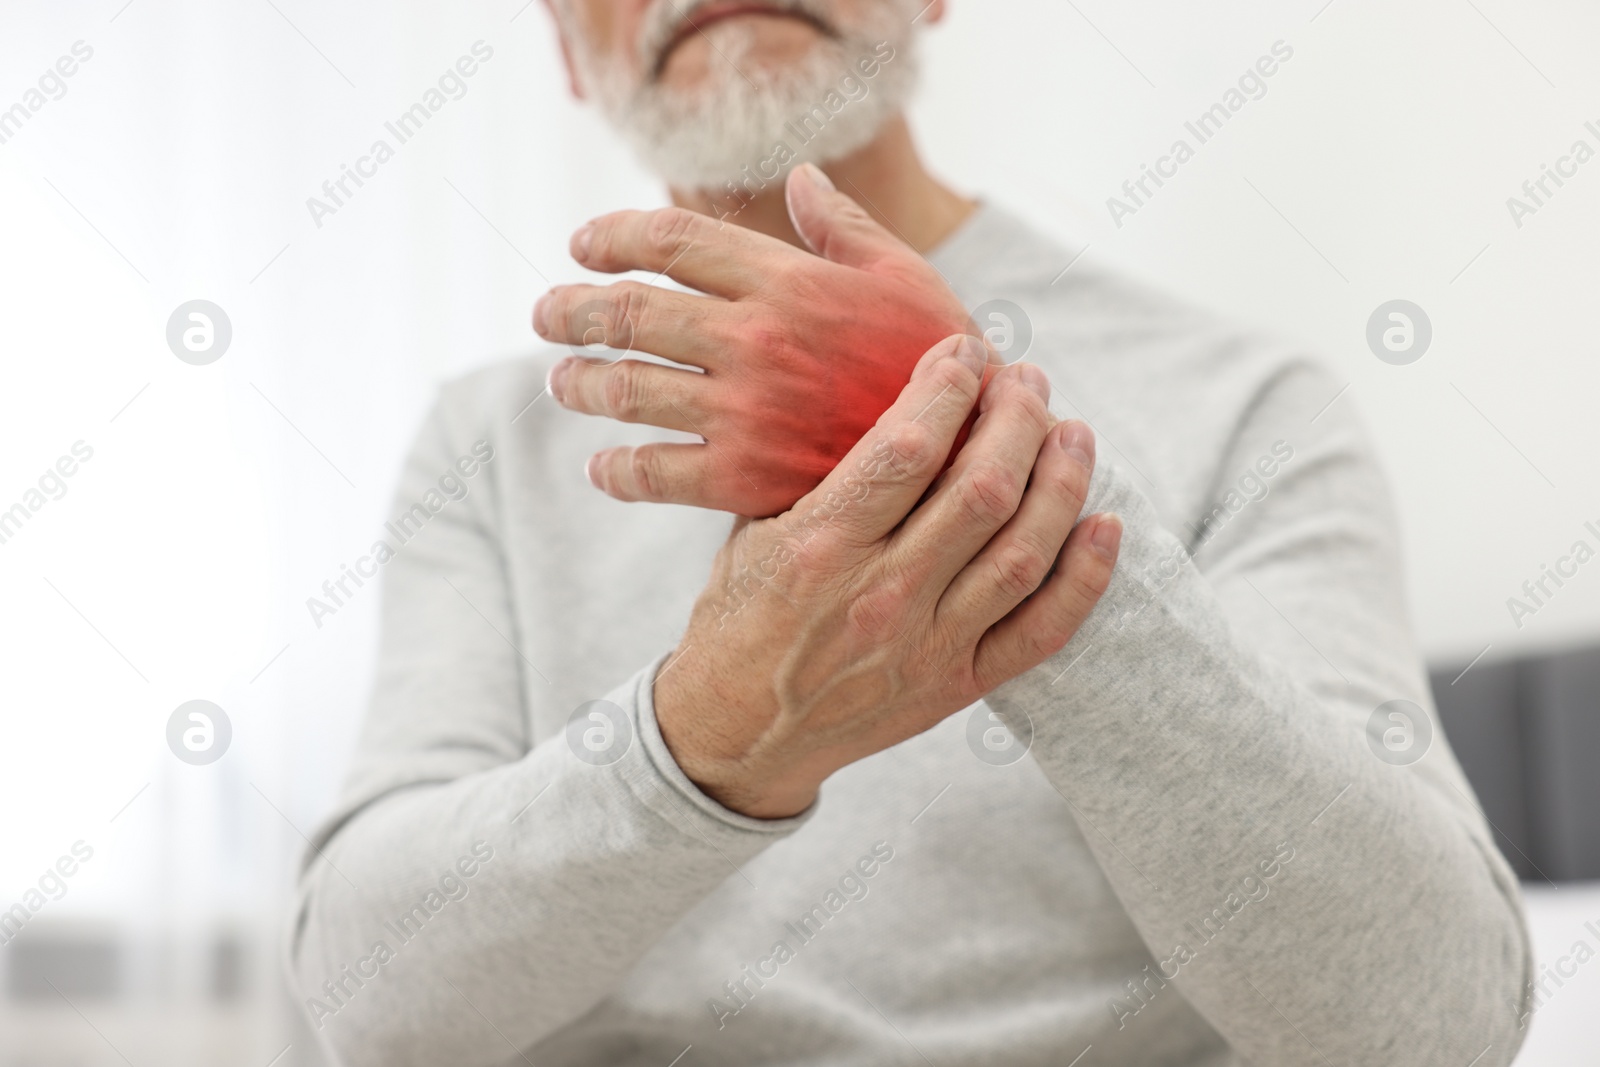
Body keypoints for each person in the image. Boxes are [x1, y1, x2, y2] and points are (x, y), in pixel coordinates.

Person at [288, 2, 1533, 1064]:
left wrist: (972, 453)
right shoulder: (485, 444)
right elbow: (368, 994)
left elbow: (1433, 1016)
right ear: (567, 41)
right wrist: (701, 736)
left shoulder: (1249, 403)